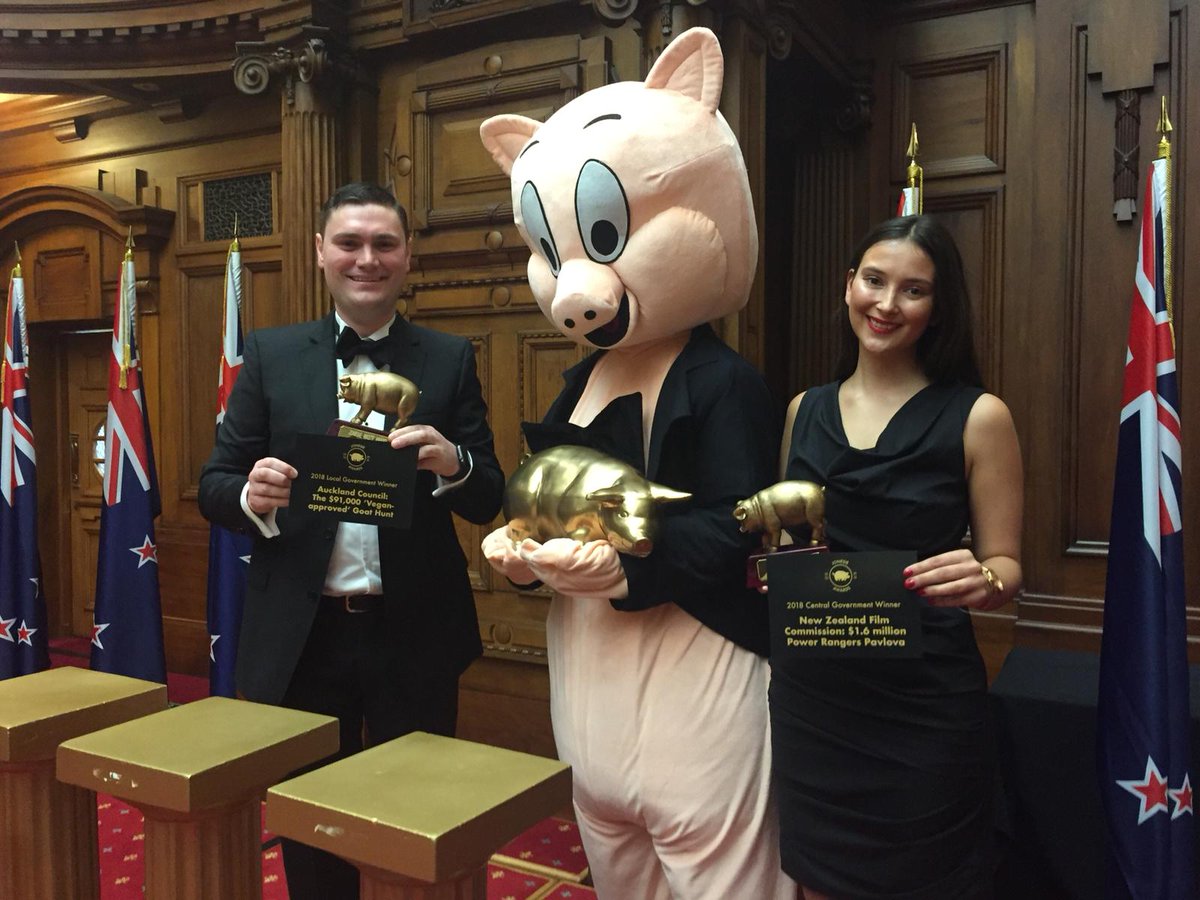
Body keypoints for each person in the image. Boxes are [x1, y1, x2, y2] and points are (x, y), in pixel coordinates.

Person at [197, 181, 504, 900]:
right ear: (320, 253)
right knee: (313, 829)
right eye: (349, 243)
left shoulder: (449, 358)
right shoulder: (270, 355)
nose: (367, 258)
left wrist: (454, 463)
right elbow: (215, 483)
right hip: (302, 640)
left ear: (407, 256)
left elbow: (490, 493)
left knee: (417, 822)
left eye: (384, 243)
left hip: (413, 633)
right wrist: (250, 494)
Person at [772, 214, 1023, 900]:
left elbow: (1007, 564)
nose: (886, 304)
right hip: (815, 700)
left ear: (938, 308)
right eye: (874, 281)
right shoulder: (802, 410)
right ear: (848, 284)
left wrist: (985, 577)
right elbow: (792, 549)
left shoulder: (980, 416)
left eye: (914, 290)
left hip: (923, 707)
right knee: (819, 881)